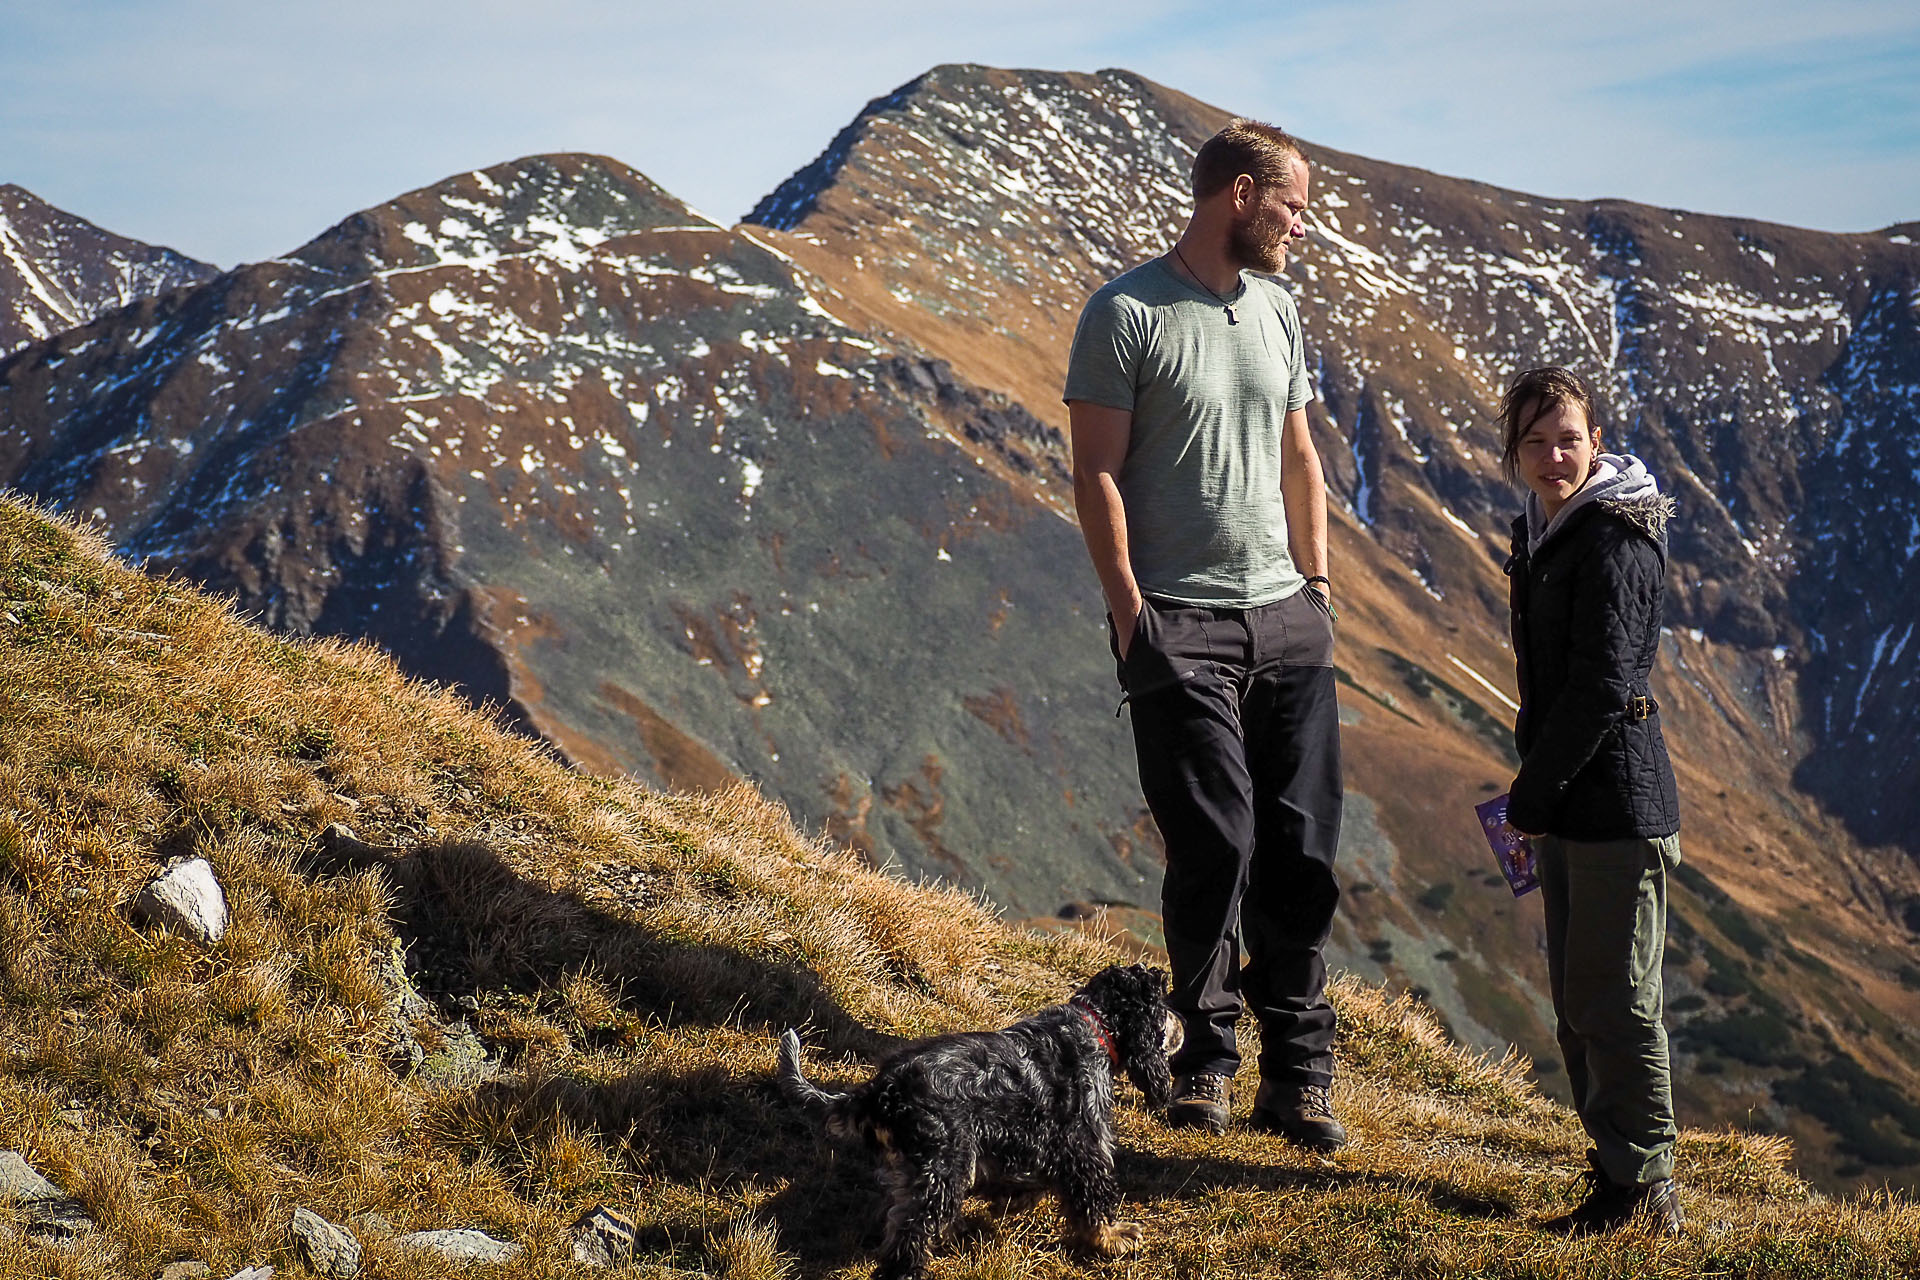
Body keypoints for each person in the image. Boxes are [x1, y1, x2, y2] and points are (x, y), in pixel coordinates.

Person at [1063, 120, 1345, 1150]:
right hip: (1176, 622)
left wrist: (1316, 589)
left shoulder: (1279, 308)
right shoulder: (1126, 312)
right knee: (1216, 841)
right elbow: (1095, 471)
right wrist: (1131, 609)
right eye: (1292, 206)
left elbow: (1300, 457)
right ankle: (1205, 1060)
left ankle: (1300, 1075)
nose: (1300, 226)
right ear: (1238, 194)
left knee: (1303, 848)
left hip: (1288, 619)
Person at [1498, 365, 1685, 1236]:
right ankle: (1615, 1173)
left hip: (1613, 804)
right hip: (1571, 802)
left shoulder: (1614, 540)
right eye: (1533, 442)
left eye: (1567, 437)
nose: (1551, 456)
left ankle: (1647, 1190)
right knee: (1580, 1003)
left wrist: (1529, 796)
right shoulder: (1541, 534)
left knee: (1616, 999)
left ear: (1596, 441)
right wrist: (1540, 795)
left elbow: (1605, 684)